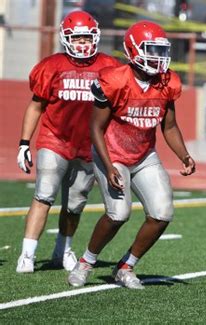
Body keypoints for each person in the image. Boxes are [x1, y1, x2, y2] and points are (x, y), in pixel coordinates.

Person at [67, 20, 196, 289]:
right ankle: (86, 262)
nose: (157, 57)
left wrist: (184, 155)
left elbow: (169, 126)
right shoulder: (114, 80)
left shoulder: (167, 82)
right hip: (111, 152)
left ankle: (126, 266)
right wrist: (108, 166)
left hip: (143, 154)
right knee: (118, 213)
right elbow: (95, 128)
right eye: (150, 49)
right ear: (133, 50)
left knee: (162, 213)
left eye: (160, 51)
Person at [16, 11, 121, 273]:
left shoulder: (109, 67)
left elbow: (117, 110)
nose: (82, 43)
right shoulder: (51, 66)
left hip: (89, 146)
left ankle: (63, 249)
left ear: (96, 37)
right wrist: (24, 142)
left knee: (75, 203)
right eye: (77, 38)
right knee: (44, 194)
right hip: (55, 139)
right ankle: (27, 254)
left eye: (87, 37)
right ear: (66, 39)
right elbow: (36, 106)